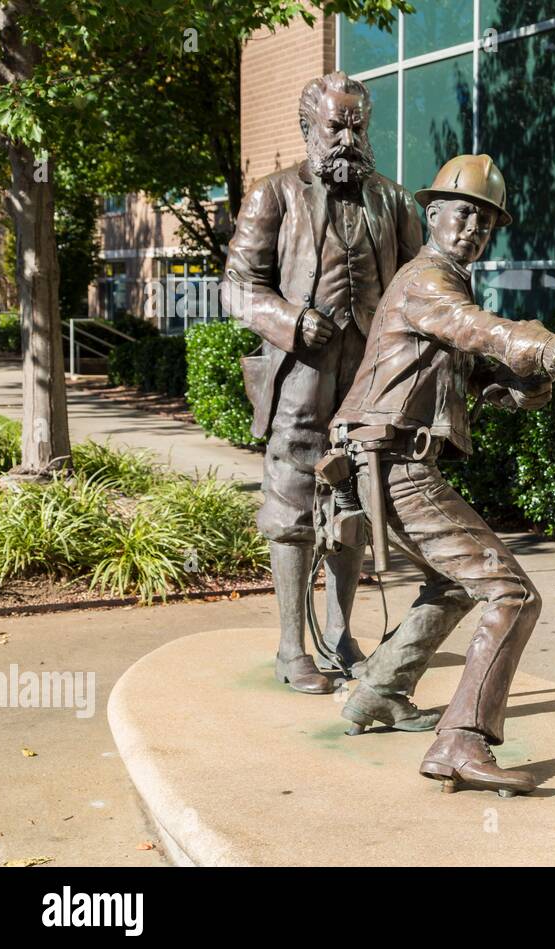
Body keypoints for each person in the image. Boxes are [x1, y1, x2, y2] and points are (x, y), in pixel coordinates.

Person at [330, 154, 555, 796]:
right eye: (464, 212)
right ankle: (459, 743)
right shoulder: (428, 281)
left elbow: (463, 359)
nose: (474, 228)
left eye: (487, 221)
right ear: (434, 213)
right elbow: (471, 328)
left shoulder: (443, 291)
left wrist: (521, 383)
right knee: (512, 594)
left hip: (386, 463)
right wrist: (532, 343)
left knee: (449, 587)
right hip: (393, 464)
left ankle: (380, 693)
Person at [221, 72, 423, 694]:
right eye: (336, 125)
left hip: (368, 378)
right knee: (290, 501)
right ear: (309, 127)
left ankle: (341, 635)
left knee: (356, 499)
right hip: (301, 376)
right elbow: (237, 286)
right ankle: (290, 647)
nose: (347, 136)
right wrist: (290, 319)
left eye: (357, 124)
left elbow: (420, 287)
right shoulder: (272, 196)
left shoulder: (393, 201)